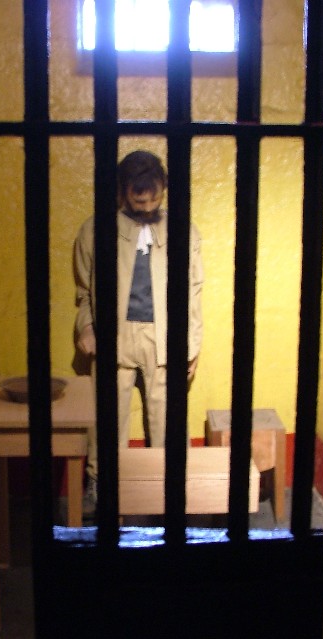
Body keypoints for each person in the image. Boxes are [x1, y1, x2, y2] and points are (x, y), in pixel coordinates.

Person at [73, 150, 203, 516]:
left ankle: (169, 489)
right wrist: (87, 326)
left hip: (165, 335)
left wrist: (192, 344)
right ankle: (101, 482)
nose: (147, 208)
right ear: (121, 192)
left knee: (168, 419)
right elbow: (84, 291)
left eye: (154, 200)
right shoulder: (95, 230)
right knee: (107, 416)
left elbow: (193, 291)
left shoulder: (183, 230)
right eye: (138, 201)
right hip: (113, 334)